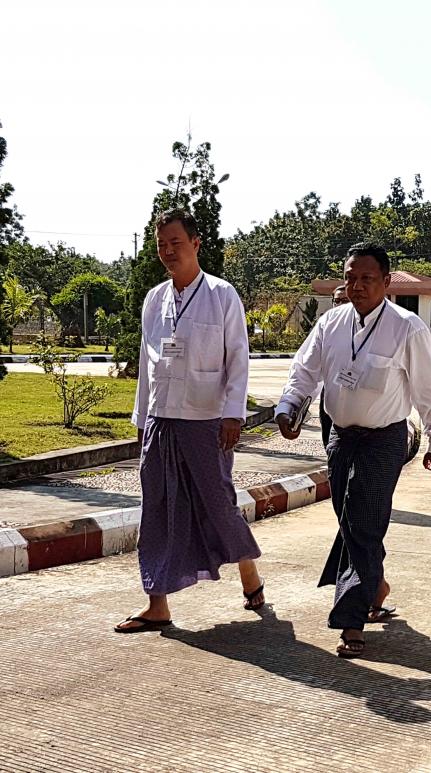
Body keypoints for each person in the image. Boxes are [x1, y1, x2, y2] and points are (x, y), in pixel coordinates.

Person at [275, 242, 431, 659]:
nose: (356, 286)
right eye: (350, 278)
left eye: (366, 279)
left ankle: (351, 620)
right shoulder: (331, 324)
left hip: (383, 440)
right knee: (350, 518)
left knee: (364, 521)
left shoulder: (407, 327)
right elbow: (305, 370)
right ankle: (377, 584)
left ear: (386, 282)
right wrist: (287, 407)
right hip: (340, 436)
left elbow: (428, 389)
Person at [115, 208, 264, 633]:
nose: (167, 252)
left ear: (196, 244)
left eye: (175, 243)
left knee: (217, 505)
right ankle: (156, 603)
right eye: (161, 245)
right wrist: (142, 417)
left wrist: (233, 413)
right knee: (156, 510)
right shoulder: (153, 299)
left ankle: (249, 572)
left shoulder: (222, 295)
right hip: (161, 420)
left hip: (206, 420)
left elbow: (238, 357)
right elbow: (147, 362)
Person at [318, 285, 350, 447]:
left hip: (358, 395)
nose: (340, 305)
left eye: (345, 300)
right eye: (336, 301)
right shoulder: (326, 325)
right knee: (330, 445)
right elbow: (308, 367)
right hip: (331, 391)